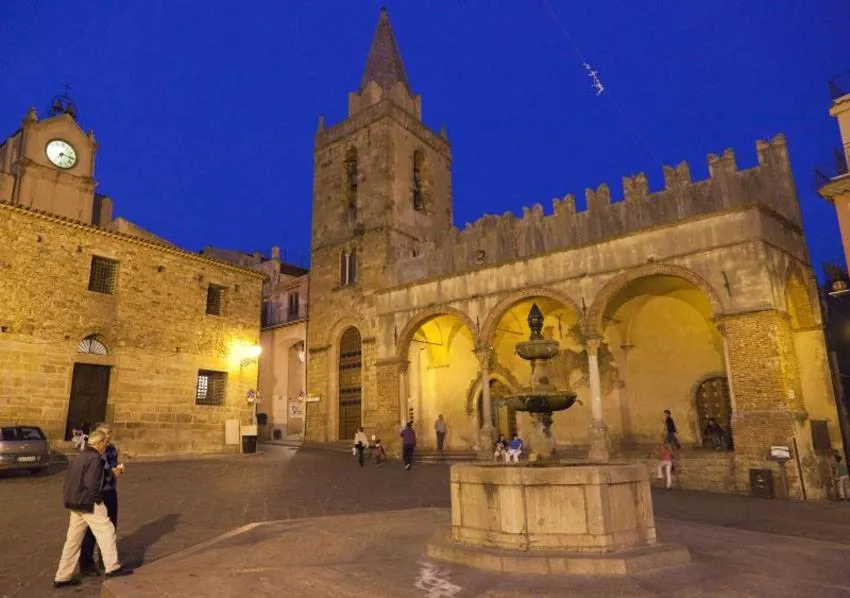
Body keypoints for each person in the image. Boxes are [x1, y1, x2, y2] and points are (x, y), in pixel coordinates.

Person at [53, 430, 132, 589]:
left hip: (74, 502)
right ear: (99, 443)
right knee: (107, 529)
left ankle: (62, 576)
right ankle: (112, 566)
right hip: (88, 502)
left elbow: (70, 480)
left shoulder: (79, 456)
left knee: (73, 540)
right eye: (105, 443)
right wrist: (97, 499)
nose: (106, 446)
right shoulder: (95, 458)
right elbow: (91, 483)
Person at [79, 424, 122, 576]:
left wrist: (117, 470)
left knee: (112, 525)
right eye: (105, 434)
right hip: (97, 493)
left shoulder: (112, 449)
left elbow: (112, 466)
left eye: (109, 433)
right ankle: (86, 563)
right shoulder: (91, 452)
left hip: (110, 490)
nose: (108, 436)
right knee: (91, 530)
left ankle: (107, 559)